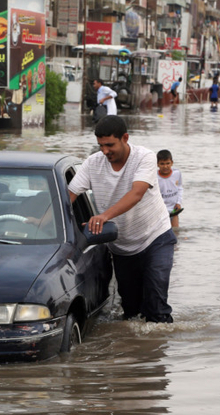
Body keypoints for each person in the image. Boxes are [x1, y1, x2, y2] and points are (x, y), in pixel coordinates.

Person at [68, 115, 176, 323]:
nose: (105, 151)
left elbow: (136, 193)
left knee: (156, 305)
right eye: (100, 146)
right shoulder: (93, 163)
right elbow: (68, 196)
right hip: (121, 248)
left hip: (156, 238)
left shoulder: (145, 157)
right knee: (131, 312)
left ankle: (158, 350)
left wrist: (103, 216)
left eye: (110, 145)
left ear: (125, 138)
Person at [156, 149, 184, 227]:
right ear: (157, 164)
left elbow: (180, 188)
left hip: (174, 209)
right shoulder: (155, 177)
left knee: (175, 232)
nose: (165, 166)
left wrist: (178, 202)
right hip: (160, 210)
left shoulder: (177, 173)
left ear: (172, 163)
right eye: (162, 164)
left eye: (168, 163)